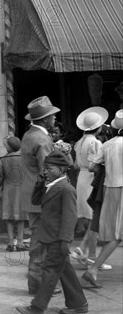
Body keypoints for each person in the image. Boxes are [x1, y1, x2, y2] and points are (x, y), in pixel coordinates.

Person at [16, 151, 88, 314]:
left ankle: (37, 309)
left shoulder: (66, 189)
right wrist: (40, 183)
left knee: (49, 272)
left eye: (50, 168)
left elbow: (70, 218)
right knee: (64, 271)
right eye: (45, 168)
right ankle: (79, 304)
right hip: (50, 236)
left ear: (61, 169)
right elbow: (35, 201)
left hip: (58, 238)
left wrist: (65, 240)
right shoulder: (52, 186)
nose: (46, 171)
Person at [20, 96, 59, 294]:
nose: (55, 119)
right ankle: (39, 282)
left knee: (38, 238)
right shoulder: (42, 139)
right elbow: (48, 171)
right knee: (43, 240)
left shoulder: (29, 135)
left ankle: (37, 281)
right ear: (44, 119)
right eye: (52, 116)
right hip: (42, 195)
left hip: (30, 194)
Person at [82, 109, 123, 288]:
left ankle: (94, 269)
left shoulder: (107, 145)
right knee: (117, 235)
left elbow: (92, 166)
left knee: (115, 233)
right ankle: (94, 269)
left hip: (110, 189)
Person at [69, 107, 108, 268]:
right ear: (98, 128)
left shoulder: (79, 142)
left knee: (92, 218)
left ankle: (85, 250)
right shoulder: (95, 142)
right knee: (94, 219)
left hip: (82, 179)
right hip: (92, 179)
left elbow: (77, 165)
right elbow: (95, 165)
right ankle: (91, 256)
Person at [0, 136, 28, 251]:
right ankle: (20, 242)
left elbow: (0, 178)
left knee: (8, 216)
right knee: (21, 217)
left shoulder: (2, 160)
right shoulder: (25, 159)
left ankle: (10, 243)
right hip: (23, 189)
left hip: (8, 189)